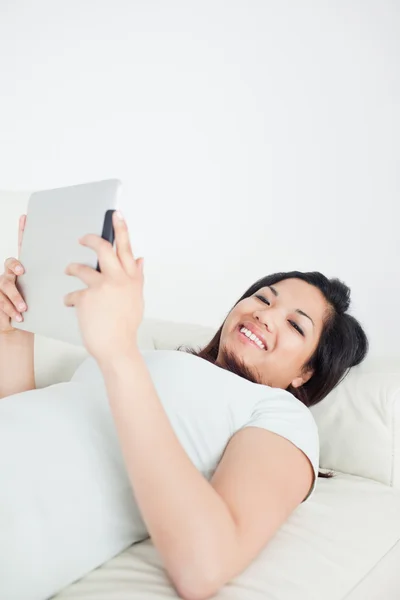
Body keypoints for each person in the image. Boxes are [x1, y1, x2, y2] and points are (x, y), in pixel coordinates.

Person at [0, 213, 369, 599]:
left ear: (306, 373)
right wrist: (14, 331)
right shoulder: (148, 358)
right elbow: (28, 420)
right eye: (263, 298)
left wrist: (119, 353)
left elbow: (205, 565)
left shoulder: (281, 413)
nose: (264, 314)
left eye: (296, 325)